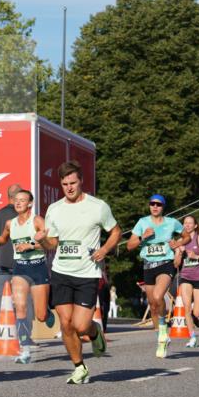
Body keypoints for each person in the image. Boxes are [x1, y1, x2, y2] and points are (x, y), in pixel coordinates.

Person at [36, 160, 120, 385]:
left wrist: (104, 249)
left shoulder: (98, 206)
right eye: (65, 184)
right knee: (65, 324)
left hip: (87, 274)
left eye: (73, 183)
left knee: (81, 326)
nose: (69, 188)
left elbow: (115, 231)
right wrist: (43, 240)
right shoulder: (54, 209)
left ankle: (95, 334)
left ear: (81, 181)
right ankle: (79, 367)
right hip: (61, 272)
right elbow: (52, 243)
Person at [0, 189, 57, 363]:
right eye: (16, 200)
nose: (18, 203)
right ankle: (25, 351)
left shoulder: (37, 221)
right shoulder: (10, 223)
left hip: (38, 268)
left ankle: (47, 313)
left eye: (22, 200)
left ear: (30, 203)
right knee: (19, 308)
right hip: (20, 268)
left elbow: (51, 245)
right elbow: (5, 238)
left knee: (40, 316)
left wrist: (32, 245)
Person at [126, 194, 189, 358]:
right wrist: (142, 237)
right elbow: (129, 246)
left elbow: (187, 236)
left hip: (165, 264)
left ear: (163, 207)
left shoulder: (171, 223)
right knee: (153, 305)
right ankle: (162, 336)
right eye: (152, 204)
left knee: (158, 295)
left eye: (158, 204)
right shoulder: (142, 222)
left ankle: (162, 334)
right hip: (148, 266)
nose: (155, 207)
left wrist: (179, 243)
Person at [0, 183, 24, 334]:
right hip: (20, 263)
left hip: (2, 263)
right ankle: (23, 334)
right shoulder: (22, 215)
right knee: (21, 301)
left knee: (0, 299)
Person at [174, 214, 199, 348]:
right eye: (185, 223)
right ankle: (192, 337)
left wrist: (197, 257)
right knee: (186, 308)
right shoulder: (180, 241)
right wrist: (179, 253)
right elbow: (176, 264)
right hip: (186, 277)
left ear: (195, 226)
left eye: (190, 223)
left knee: (197, 312)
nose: (187, 225)